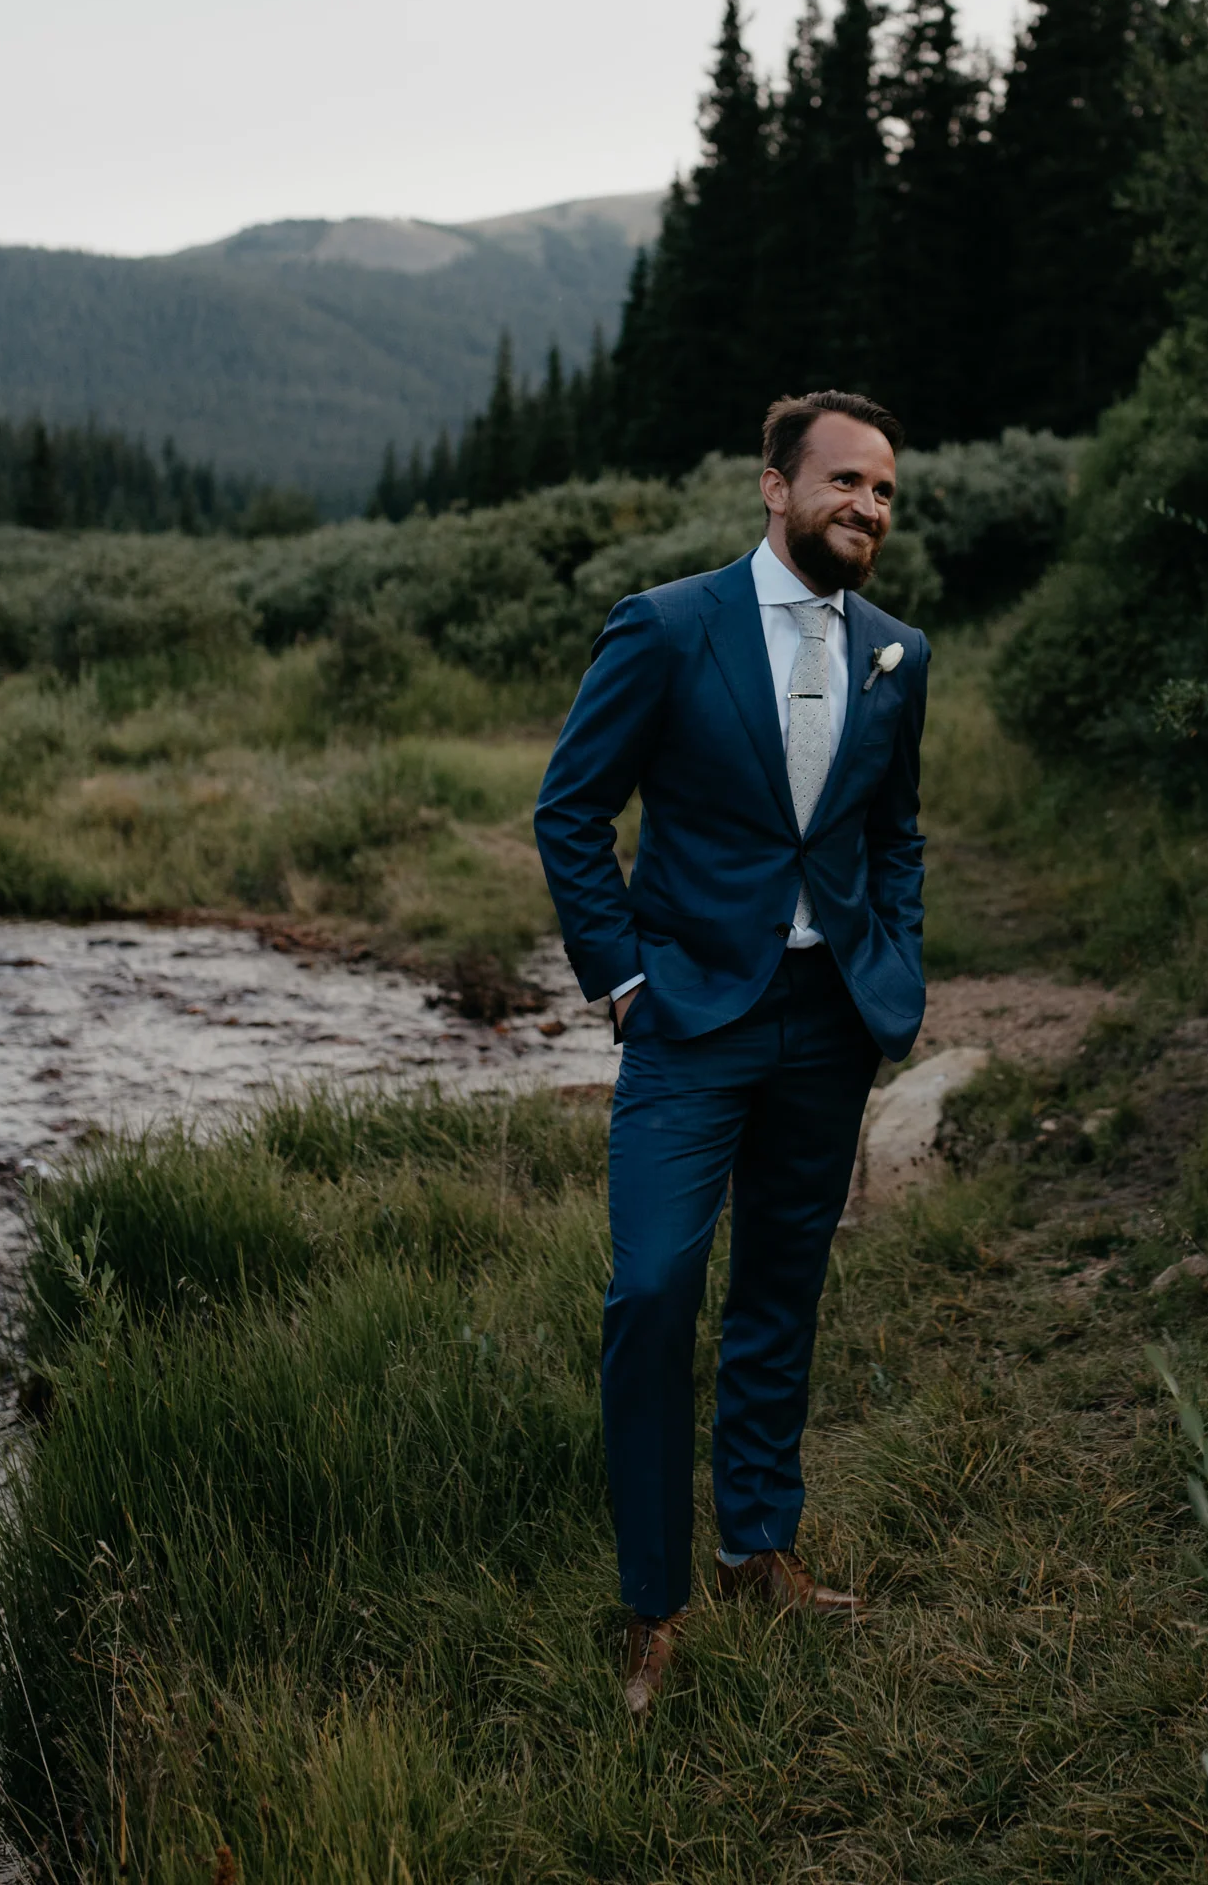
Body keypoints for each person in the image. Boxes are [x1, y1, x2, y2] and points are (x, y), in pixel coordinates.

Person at [534, 388, 930, 1715]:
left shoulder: (896, 654)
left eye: (884, 490)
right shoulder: (666, 627)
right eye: (844, 482)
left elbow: (898, 834)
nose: (867, 506)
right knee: (651, 1293)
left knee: (781, 1289)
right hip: (688, 1021)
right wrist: (627, 981)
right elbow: (569, 810)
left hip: (830, 1028)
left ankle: (758, 1546)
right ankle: (653, 1610)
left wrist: (897, 967)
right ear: (775, 486)